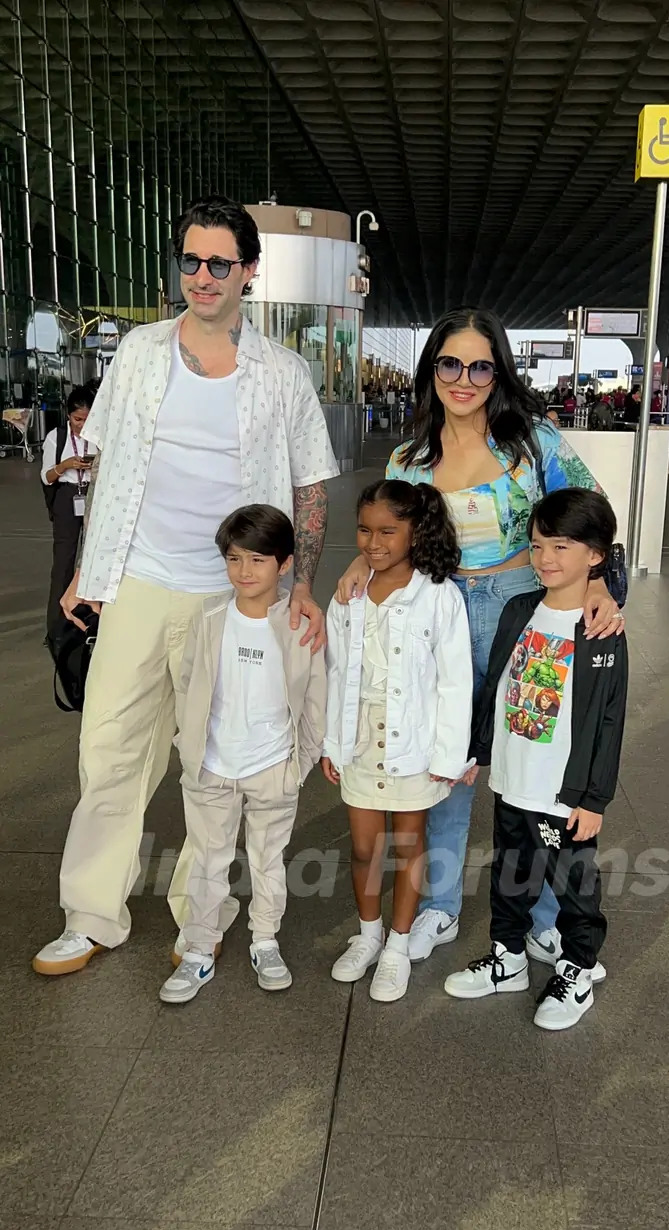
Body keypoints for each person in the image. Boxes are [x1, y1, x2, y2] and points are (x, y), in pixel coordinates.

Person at [34, 193, 339, 978]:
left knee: (211, 764)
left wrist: (300, 586)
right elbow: (107, 472)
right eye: (191, 261)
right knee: (108, 750)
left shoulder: (283, 373)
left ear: (249, 272)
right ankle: (92, 912)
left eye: (219, 263)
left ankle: (198, 915)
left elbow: (309, 487)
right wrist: (86, 572)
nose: (202, 277)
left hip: (232, 595)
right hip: (139, 581)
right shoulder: (138, 351)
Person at [336, 307, 623, 969]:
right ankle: (439, 903)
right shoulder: (410, 458)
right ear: (431, 369)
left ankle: (545, 916)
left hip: (529, 614)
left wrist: (600, 579)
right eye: (450, 363)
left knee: (537, 773)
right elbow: (392, 535)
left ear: (498, 373)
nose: (463, 378)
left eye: (479, 365)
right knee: (447, 766)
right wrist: (363, 559)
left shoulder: (534, 442)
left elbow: (590, 511)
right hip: (442, 616)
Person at [444, 488, 628, 1030]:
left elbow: (608, 721)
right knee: (510, 871)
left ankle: (577, 967)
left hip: (562, 792)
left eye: (562, 546)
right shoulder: (520, 609)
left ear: (595, 556)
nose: (546, 558)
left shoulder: (601, 630)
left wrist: (592, 798)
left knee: (573, 883)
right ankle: (509, 959)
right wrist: (481, 750)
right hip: (512, 778)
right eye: (538, 545)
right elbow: (498, 685)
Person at [158, 505, 325, 1004]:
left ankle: (265, 940)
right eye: (234, 559)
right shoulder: (210, 620)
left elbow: (315, 697)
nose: (245, 572)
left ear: (285, 563)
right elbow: (187, 685)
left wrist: (300, 763)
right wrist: (188, 748)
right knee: (207, 863)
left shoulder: (300, 625)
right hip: (212, 766)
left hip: (273, 767)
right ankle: (199, 949)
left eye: (257, 560)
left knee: (268, 860)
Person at [324, 479, 472, 1004]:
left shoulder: (440, 596)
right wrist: (331, 743)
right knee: (364, 848)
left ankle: (398, 945)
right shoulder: (348, 595)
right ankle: (367, 935)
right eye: (364, 529)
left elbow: (455, 681)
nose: (373, 542)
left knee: (410, 845)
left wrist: (450, 755)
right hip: (362, 740)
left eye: (389, 530)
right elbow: (336, 671)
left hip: (415, 746)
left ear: (416, 531)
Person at [40, 385, 97, 651]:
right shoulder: (57, 437)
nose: (82, 425)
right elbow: (47, 476)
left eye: (87, 419)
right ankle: (55, 630)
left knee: (92, 561)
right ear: (68, 415)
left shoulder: (99, 435)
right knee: (63, 563)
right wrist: (66, 465)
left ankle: (88, 621)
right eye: (77, 419)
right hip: (67, 497)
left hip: (92, 497)